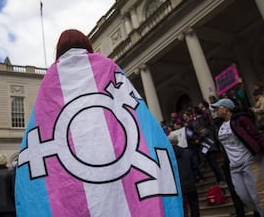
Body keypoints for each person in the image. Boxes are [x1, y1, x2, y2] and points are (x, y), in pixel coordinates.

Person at [14, 29, 183, 216]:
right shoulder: (107, 65)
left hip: (73, 166)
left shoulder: (50, 78)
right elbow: (135, 111)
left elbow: (42, 124)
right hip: (114, 155)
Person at [212, 98, 264, 217]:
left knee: (259, 195)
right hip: (234, 167)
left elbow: (257, 136)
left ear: (226, 108)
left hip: (250, 161)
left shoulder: (241, 119)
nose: (215, 110)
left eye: (217, 107)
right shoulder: (220, 126)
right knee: (244, 197)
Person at [169, 135, 200, 217]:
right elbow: (195, 166)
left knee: (182, 206)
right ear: (177, 141)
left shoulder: (168, 156)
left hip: (178, 185)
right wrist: (196, 177)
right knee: (194, 205)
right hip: (190, 182)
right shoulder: (187, 152)